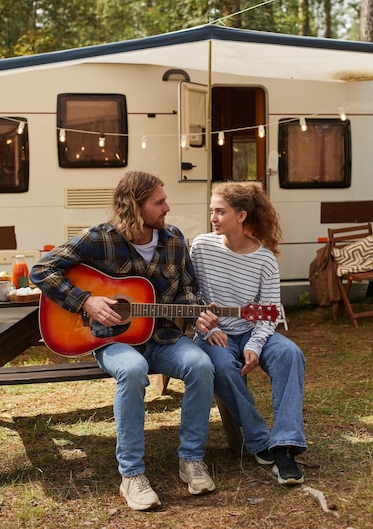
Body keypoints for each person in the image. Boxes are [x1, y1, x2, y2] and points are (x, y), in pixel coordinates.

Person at [30, 171, 218, 511]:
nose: (167, 207)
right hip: (112, 341)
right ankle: (131, 475)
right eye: (159, 202)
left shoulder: (174, 239)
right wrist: (86, 301)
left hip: (161, 336)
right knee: (132, 369)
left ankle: (191, 459)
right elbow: (42, 270)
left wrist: (198, 315)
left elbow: (188, 291)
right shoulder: (99, 238)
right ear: (135, 206)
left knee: (201, 364)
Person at [190, 181, 307, 486]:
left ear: (241, 216)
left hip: (254, 330)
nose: (213, 217)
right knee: (222, 366)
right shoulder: (201, 247)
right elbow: (191, 297)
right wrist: (208, 325)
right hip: (214, 335)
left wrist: (254, 345)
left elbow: (269, 312)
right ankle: (260, 439)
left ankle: (285, 448)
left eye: (220, 211)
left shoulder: (264, 258)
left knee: (290, 353)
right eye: (211, 211)